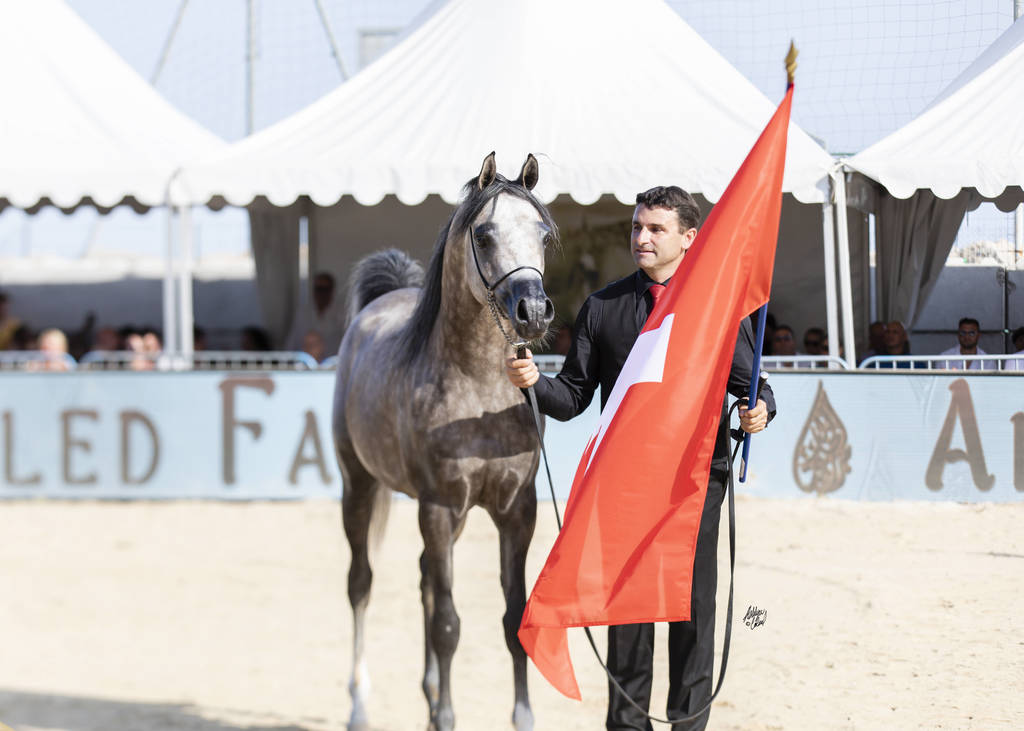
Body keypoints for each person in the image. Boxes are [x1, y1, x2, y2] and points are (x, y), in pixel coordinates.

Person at [505, 185, 775, 731]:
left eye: (655, 229)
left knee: (691, 604)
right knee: (627, 607)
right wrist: (534, 382)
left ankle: (687, 724)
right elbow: (573, 398)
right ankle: (627, 724)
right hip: (624, 484)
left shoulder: (717, 305)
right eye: (636, 227)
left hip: (695, 481)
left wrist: (760, 411)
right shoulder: (602, 307)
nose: (642, 238)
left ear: (689, 237)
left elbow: (751, 386)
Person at [287, 271, 346, 356]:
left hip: (333, 360)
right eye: (319, 289)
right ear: (314, 290)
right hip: (305, 361)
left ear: (332, 290)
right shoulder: (303, 311)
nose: (322, 293)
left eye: (325, 289)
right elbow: (292, 339)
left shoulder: (342, 312)